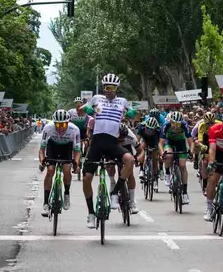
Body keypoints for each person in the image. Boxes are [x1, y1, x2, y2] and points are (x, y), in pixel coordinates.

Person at [82, 74, 135, 228]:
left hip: (112, 143)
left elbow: (132, 113)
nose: (109, 91)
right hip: (97, 143)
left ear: (116, 89)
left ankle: (114, 193)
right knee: (86, 179)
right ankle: (91, 213)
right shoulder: (97, 99)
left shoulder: (122, 101)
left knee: (130, 160)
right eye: (106, 87)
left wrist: (130, 112)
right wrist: (86, 108)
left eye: (112, 88)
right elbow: (83, 111)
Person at [39, 109, 81, 217]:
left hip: (66, 147)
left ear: (68, 123)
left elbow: (77, 150)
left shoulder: (74, 129)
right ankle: (46, 203)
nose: (60, 127)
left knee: (67, 170)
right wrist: (42, 161)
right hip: (53, 146)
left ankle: (66, 193)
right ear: (54, 123)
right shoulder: (48, 127)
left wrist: (76, 163)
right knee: (50, 171)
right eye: (57, 125)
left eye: (63, 125)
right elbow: (42, 149)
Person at [159, 110, 193, 204]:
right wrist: (162, 153)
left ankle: (185, 192)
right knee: (169, 155)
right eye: (174, 124)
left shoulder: (184, 125)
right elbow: (161, 143)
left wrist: (191, 151)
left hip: (180, 143)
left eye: (178, 124)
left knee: (182, 165)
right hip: (169, 141)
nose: (175, 126)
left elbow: (190, 141)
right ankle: (167, 173)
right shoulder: (166, 125)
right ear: (171, 121)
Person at [195, 111, 220, 193]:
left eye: (212, 123)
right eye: (208, 124)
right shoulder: (201, 125)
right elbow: (200, 140)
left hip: (216, 138)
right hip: (206, 138)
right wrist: (202, 146)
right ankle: (205, 185)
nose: (210, 125)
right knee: (205, 162)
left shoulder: (219, 124)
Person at [136, 116, 161, 192]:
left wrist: (159, 152)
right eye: (148, 128)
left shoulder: (158, 129)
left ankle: (155, 180)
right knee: (142, 148)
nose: (149, 130)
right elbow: (137, 140)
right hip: (145, 140)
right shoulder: (141, 126)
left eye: (151, 129)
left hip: (154, 140)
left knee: (155, 159)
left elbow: (160, 142)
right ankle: (141, 169)